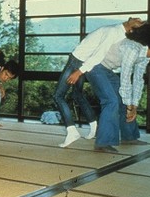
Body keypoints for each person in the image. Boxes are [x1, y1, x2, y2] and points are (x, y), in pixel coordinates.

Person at [53, 17, 145, 148]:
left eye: (137, 22)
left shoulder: (114, 32)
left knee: (58, 95)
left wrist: (79, 71)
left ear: (132, 29)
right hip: (82, 62)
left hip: (77, 60)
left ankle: (71, 130)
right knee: (77, 95)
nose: (136, 18)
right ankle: (93, 125)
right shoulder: (117, 30)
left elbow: (98, 55)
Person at [87, 26, 150, 153]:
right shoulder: (133, 49)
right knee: (112, 101)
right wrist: (129, 104)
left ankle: (129, 137)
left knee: (124, 101)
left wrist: (134, 105)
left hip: (106, 69)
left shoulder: (145, 56)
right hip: (94, 66)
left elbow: (138, 80)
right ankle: (103, 143)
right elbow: (126, 78)